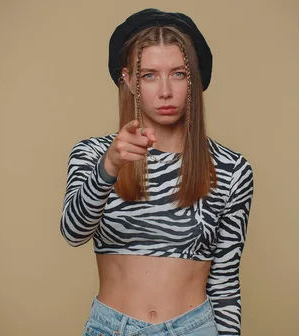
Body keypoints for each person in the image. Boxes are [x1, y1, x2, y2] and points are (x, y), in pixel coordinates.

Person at [60, 8, 254, 336]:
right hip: (112, 328)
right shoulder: (94, 154)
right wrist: (109, 167)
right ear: (129, 79)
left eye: (178, 74)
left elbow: (224, 283)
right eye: (150, 75)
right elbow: (74, 232)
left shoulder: (231, 169)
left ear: (194, 79)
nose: (165, 90)